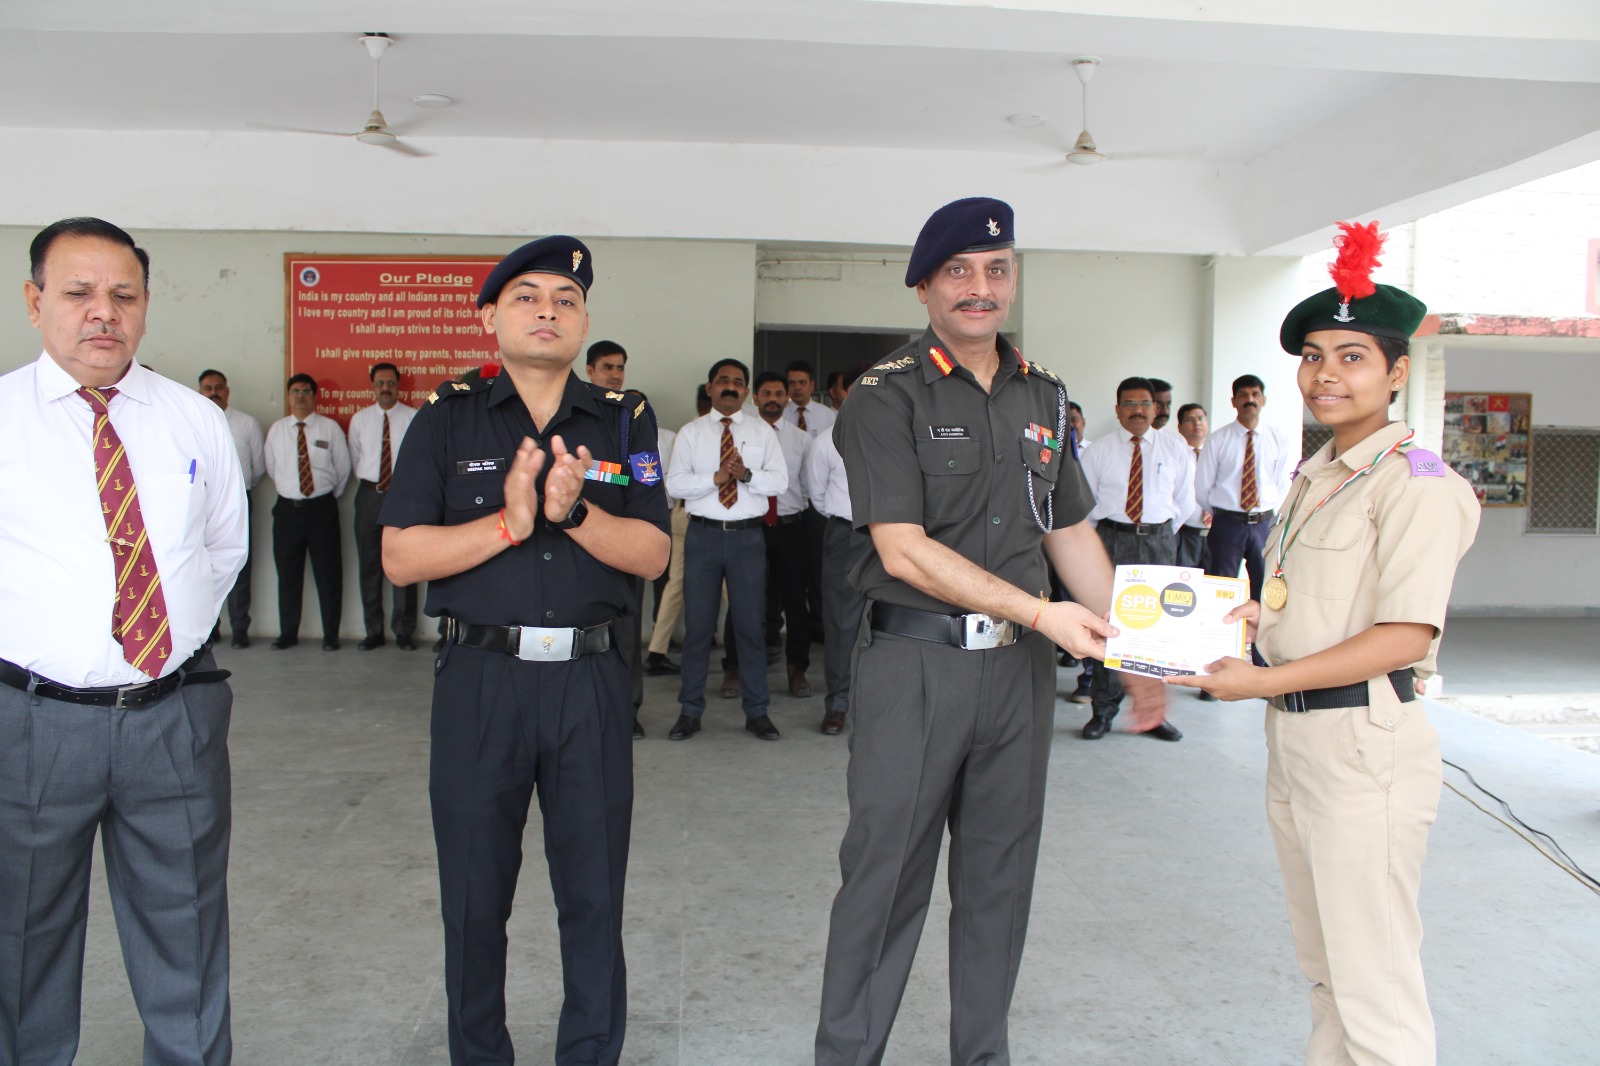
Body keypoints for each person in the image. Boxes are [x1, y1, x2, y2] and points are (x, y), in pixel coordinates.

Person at [815, 197, 1165, 1065]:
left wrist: (1140, 653)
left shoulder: (1042, 394)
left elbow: (1068, 531)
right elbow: (902, 550)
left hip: (1017, 679)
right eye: (959, 272)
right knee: (885, 883)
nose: (980, 288)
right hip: (915, 668)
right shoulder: (884, 395)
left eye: (996, 270)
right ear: (925, 285)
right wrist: (1041, 612)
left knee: (999, 883)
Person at [1170, 221, 1479, 1066]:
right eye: (1313, 355)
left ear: (1397, 372)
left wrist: (1263, 683)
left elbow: (1403, 634)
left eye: (1351, 356)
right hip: (1299, 739)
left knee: (1373, 982)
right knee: (1326, 971)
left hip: (1363, 745)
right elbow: (1302, 603)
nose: (1326, 374)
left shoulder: (1419, 484)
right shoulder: (1315, 474)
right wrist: (1244, 627)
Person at [380, 235, 669, 1066]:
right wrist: (509, 522)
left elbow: (652, 556)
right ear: (489, 317)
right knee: (473, 896)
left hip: (591, 682)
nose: (548, 310)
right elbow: (402, 557)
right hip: (481, 681)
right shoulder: (447, 416)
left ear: (583, 322)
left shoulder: (624, 416)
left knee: (593, 892)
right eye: (527, 297)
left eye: (566, 299)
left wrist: (574, 512)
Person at [1, 217, 247, 1065]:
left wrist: (160, 645)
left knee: (186, 934)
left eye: (123, 295)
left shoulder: (191, 421)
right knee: (22, 940)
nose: (101, 312)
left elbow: (221, 550)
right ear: (35, 303)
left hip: (170, 719)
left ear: (144, 308)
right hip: (31, 725)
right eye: (77, 293)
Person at [664, 358, 788, 742]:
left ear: (747, 391)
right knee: (699, 628)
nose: (730, 387)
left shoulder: (762, 432)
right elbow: (675, 485)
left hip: (747, 539)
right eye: (723, 381)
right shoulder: (691, 433)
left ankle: (757, 712)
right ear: (710, 387)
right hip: (702, 537)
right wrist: (716, 478)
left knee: (751, 628)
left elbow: (780, 482)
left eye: (737, 382)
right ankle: (690, 711)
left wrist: (745, 476)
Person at [1076, 376, 1194, 741]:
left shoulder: (1175, 449)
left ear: (1156, 408)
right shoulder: (1100, 452)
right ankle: (1104, 710)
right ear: (1117, 410)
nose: (1138, 411)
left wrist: (1155, 536)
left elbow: (1186, 503)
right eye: (1129, 404)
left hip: (1159, 542)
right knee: (1108, 625)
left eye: (1145, 404)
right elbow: (1086, 506)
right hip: (1111, 539)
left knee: (1156, 628)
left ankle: (1154, 714)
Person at [584, 340, 648, 737]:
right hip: (575, 539)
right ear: (589, 370)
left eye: (620, 367)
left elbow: (644, 479)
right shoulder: (575, 412)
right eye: (608, 367)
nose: (615, 374)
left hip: (623, 540)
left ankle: (628, 711)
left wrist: (597, 473)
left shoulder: (633, 418)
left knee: (626, 631)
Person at [804, 361, 871, 735]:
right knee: (842, 624)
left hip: (898, 537)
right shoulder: (827, 441)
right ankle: (838, 704)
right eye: (857, 386)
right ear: (842, 393)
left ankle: (881, 706)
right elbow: (817, 495)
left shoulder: (901, 435)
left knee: (897, 622)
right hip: (845, 535)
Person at [264, 373, 350, 650]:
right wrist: (293, 494)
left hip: (322, 510)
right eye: (295, 391)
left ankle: (331, 636)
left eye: (305, 391)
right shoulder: (277, 430)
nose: (300, 396)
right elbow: (271, 468)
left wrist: (322, 498)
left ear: (314, 396)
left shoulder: (329, 428)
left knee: (329, 574)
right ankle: (288, 634)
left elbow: (343, 468)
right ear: (289, 397)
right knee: (288, 575)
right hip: (288, 511)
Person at [1195, 373, 1291, 600]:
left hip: (1263, 525)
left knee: (1265, 586)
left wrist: (1263, 512)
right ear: (1233, 401)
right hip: (1228, 524)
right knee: (1220, 587)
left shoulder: (1278, 438)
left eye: (1255, 394)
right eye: (1244, 395)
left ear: (1263, 400)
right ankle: (1218, 633)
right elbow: (1202, 487)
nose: (1250, 399)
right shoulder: (1218, 439)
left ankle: (1261, 636)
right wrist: (1226, 512)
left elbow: (1280, 484)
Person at [347, 361, 418, 651]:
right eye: (380, 383)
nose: (385, 388)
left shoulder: (413, 417)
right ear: (372, 386)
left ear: (398, 385)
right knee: (369, 565)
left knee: (404, 564)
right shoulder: (359, 420)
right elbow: (354, 460)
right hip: (369, 496)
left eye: (390, 383)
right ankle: (373, 631)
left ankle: (403, 631)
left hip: (403, 496)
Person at [644, 384, 712, 678]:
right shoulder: (699, 434)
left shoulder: (682, 433)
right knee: (730, 588)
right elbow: (669, 482)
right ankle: (737, 650)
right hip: (696, 515)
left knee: (674, 587)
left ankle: (657, 651)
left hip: (681, 513)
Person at [754, 370, 814, 697]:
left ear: (786, 398)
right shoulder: (743, 435)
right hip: (753, 527)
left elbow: (809, 486)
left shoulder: (801, 439)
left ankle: (797, 670)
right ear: (756, 398)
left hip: (791, 528)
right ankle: (736, 668)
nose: (773, 399)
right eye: (767, 393)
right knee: (748, 600)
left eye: (779, 393)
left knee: (795, 602)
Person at [199, 367, 266, 647]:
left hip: (239, 501)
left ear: (227, 391)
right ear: (200, 392)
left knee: (239, 562)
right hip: (201, 504)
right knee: (202, 565)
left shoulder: (246, 423)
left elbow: (260, 466)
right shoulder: (193, 420)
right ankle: (209, 628)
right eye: (208, 388)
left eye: (218, 387)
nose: (214, 392)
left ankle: (240, 628)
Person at [784, 358, 834, 644]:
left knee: (817, 568)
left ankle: (819, 626)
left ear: (812, 385)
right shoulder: (779, 416)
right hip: (789, 505)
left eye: (802, 383)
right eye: (792, 383)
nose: (797, 388)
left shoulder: (828, 417)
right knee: (790, 572)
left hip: (817, 507)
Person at [1175, 401, 1211, 570]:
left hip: (1216, 534)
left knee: (1216, 583)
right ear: (1180, 427)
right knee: (1183, 585)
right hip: (1185, 533)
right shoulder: (1175, 455)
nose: (1197, 423)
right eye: (1190, 419)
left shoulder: (1217, 452)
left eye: (1200, 418)